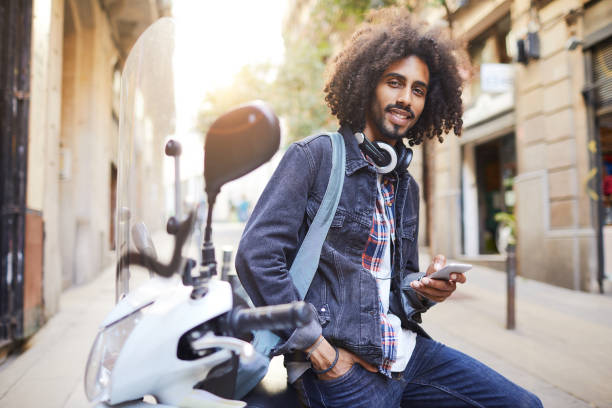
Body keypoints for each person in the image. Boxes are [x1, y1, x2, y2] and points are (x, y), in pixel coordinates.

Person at [236, 8, 542, 408]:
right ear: (366, 85)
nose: (405, 98)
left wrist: (424, 290)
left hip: (407, 352)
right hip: (340, 366)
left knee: (524, 404)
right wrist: (318, 350)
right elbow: (256, 256)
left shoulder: (404, 185)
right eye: (394, 83)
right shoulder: (315, 159)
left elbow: (394, 290)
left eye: (418, 89)